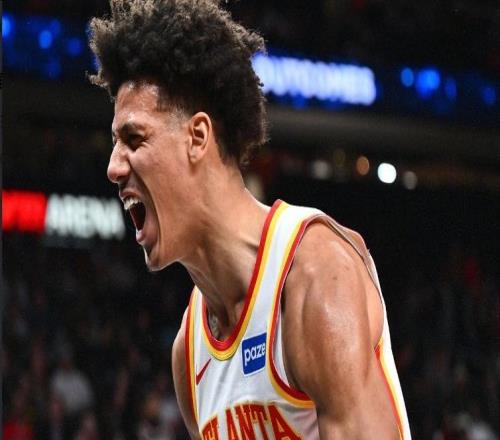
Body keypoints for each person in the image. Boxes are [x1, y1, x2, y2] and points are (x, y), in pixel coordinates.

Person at [89, 0, 411, 438]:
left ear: (197, 137)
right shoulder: (189, 352)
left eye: (134, 139)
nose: (113, 167)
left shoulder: (312, 273)